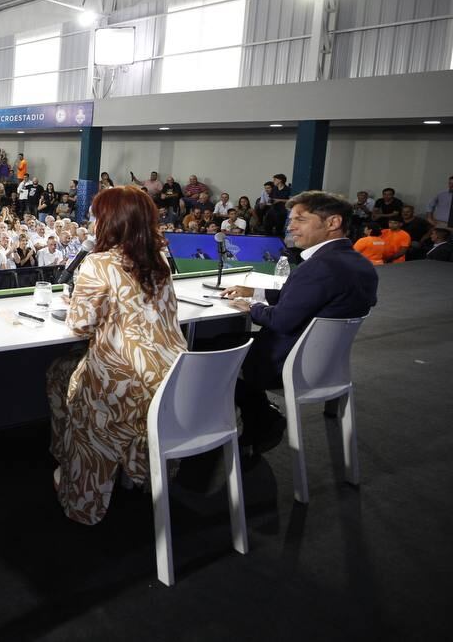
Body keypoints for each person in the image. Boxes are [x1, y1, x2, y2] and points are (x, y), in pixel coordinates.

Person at [44, 185, 186, 525]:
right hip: (173, 377)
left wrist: (76, 302)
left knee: (62, 375)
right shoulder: (160, 259)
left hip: (123, 385)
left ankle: (81, 480)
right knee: (65, 372)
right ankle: (126, 462)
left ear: (110, 221)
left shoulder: (99, 262)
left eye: (95, 216)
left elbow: (80, 327)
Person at [222, 191, 378, 454]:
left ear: (333, 223)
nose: (290, 226)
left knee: (213, 349)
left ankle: (262, 419)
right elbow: (307, 298)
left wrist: (252, 307)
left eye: (300, 219)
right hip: (327, 365)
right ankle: (261, 414)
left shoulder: (319, 266)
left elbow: (281, 320)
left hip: (285, 364)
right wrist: (255, 292)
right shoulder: (361, 265)